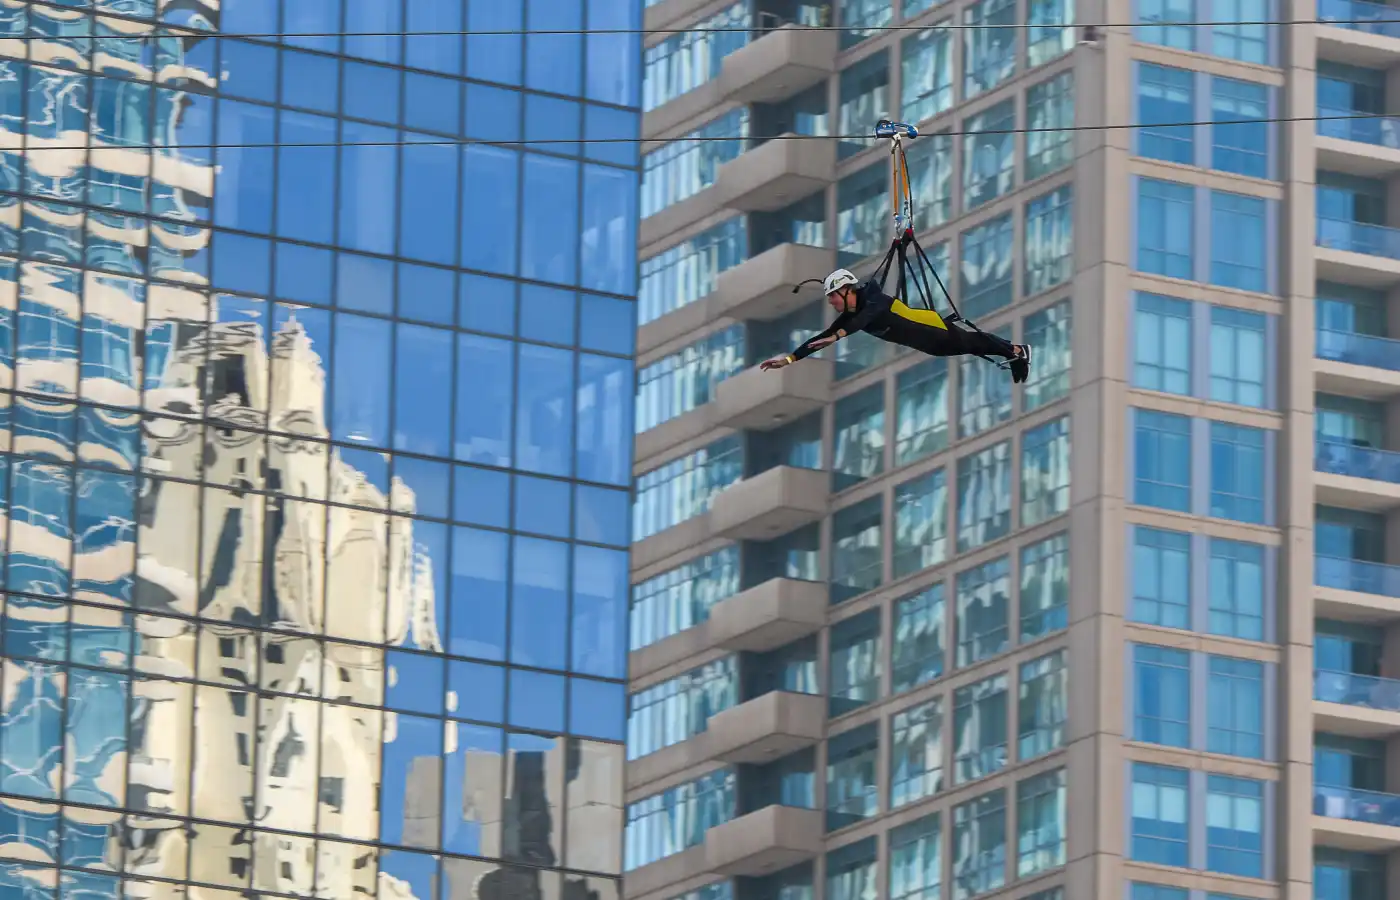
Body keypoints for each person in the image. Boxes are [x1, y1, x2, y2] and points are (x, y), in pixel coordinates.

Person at [760, 268, 1032, 383]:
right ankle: (1015, 353)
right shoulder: (849, 317)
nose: (831, 302)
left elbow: (863, 320)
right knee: (972, 347)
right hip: (927, 345)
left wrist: (838, 336)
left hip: (932, 328)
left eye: (832, 296)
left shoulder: (874, 300)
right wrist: (789, 358)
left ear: (847, 290)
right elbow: (821, 337)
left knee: (973, 343)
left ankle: (1018, 351)